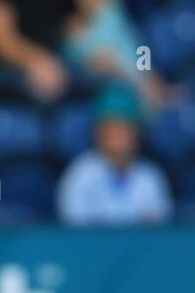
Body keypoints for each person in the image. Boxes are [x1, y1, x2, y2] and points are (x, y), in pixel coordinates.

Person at [56, 84, 174, 225]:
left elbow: (160, 234)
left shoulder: (150, 177)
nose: (118, 136)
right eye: (111, 128)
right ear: (98, 132)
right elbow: (73, 234)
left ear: (137, 133)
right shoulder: (80, 175)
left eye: (124, 128)